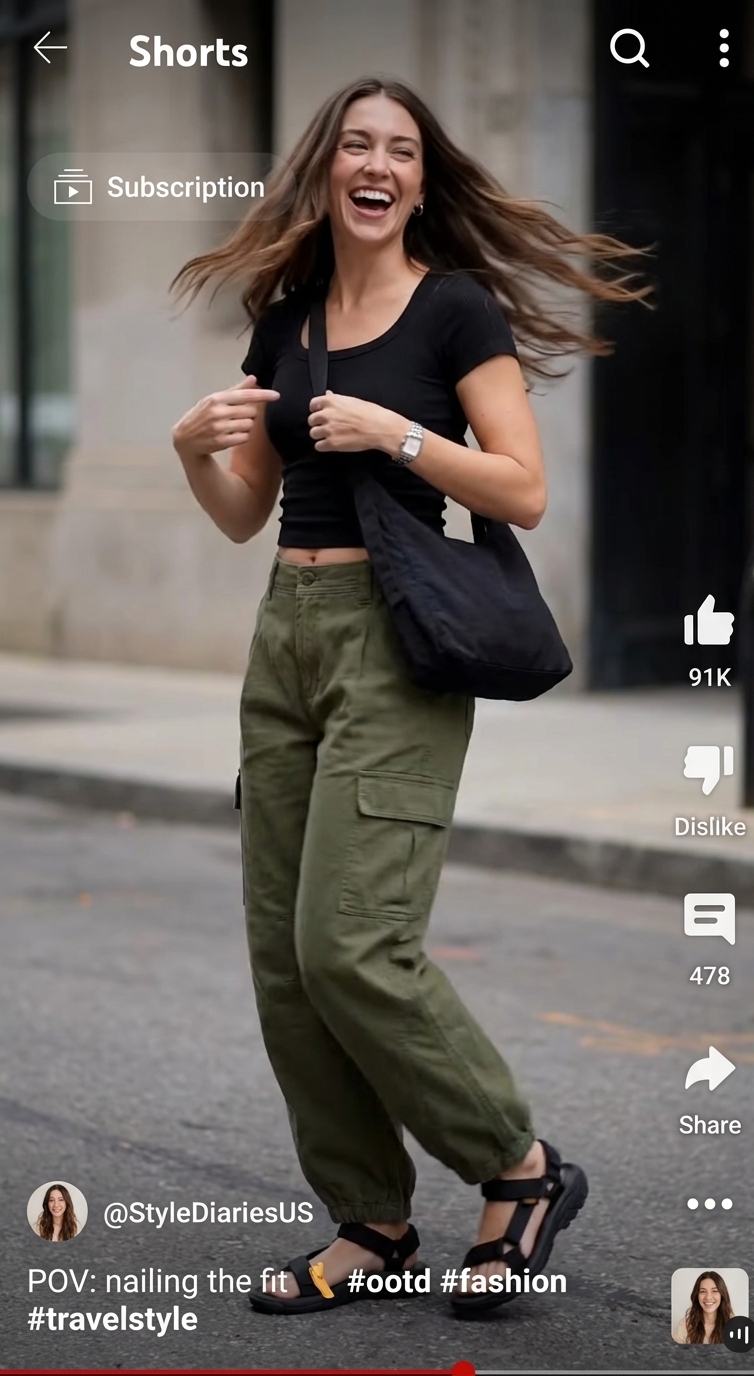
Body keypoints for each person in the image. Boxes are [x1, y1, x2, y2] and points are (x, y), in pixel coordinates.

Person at [171, 76, 645, 1316]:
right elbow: (243, 516)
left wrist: (395, 433)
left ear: (421, 183)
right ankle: (372, 1221)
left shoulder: (455, 312)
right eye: (355, 146)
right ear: (326, 171)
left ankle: (518, 1165)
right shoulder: (286, 317)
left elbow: (523, 489)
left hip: (396, 639)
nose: (377, 164)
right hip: (287, 633)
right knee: (285, 960)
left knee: (351, 944)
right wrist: (190, 452)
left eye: (401, 150)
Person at [673, 1270, 734, 1344]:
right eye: (702, 1291)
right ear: (696, 1295)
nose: (708, 1297)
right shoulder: (684, 1326)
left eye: (714, 1291)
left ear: (722, 1295)